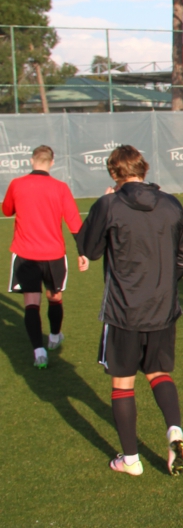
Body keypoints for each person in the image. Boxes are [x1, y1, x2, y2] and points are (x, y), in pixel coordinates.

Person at [75, 145, 183, 477]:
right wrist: (162, 285)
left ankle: (130, 459)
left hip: (123, 309)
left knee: (123, 383)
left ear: (114, 173)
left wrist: (103, 204)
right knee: (158, 372)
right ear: (144, 169)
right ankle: (174, 429)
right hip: (162, 307)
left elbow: (90, 249)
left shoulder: (109, 204)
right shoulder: (171, 203)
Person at [2, 145, 83, 369]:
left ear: (32, 160)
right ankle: (55, 336)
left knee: (31, 302)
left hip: (26, 254)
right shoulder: (60, 187)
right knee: (54, 296)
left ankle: (39, 352)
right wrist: (82, 251)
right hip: (53, 254)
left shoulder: (17, 184)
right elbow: (74, 221)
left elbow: (6, 210)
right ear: (52, 162)